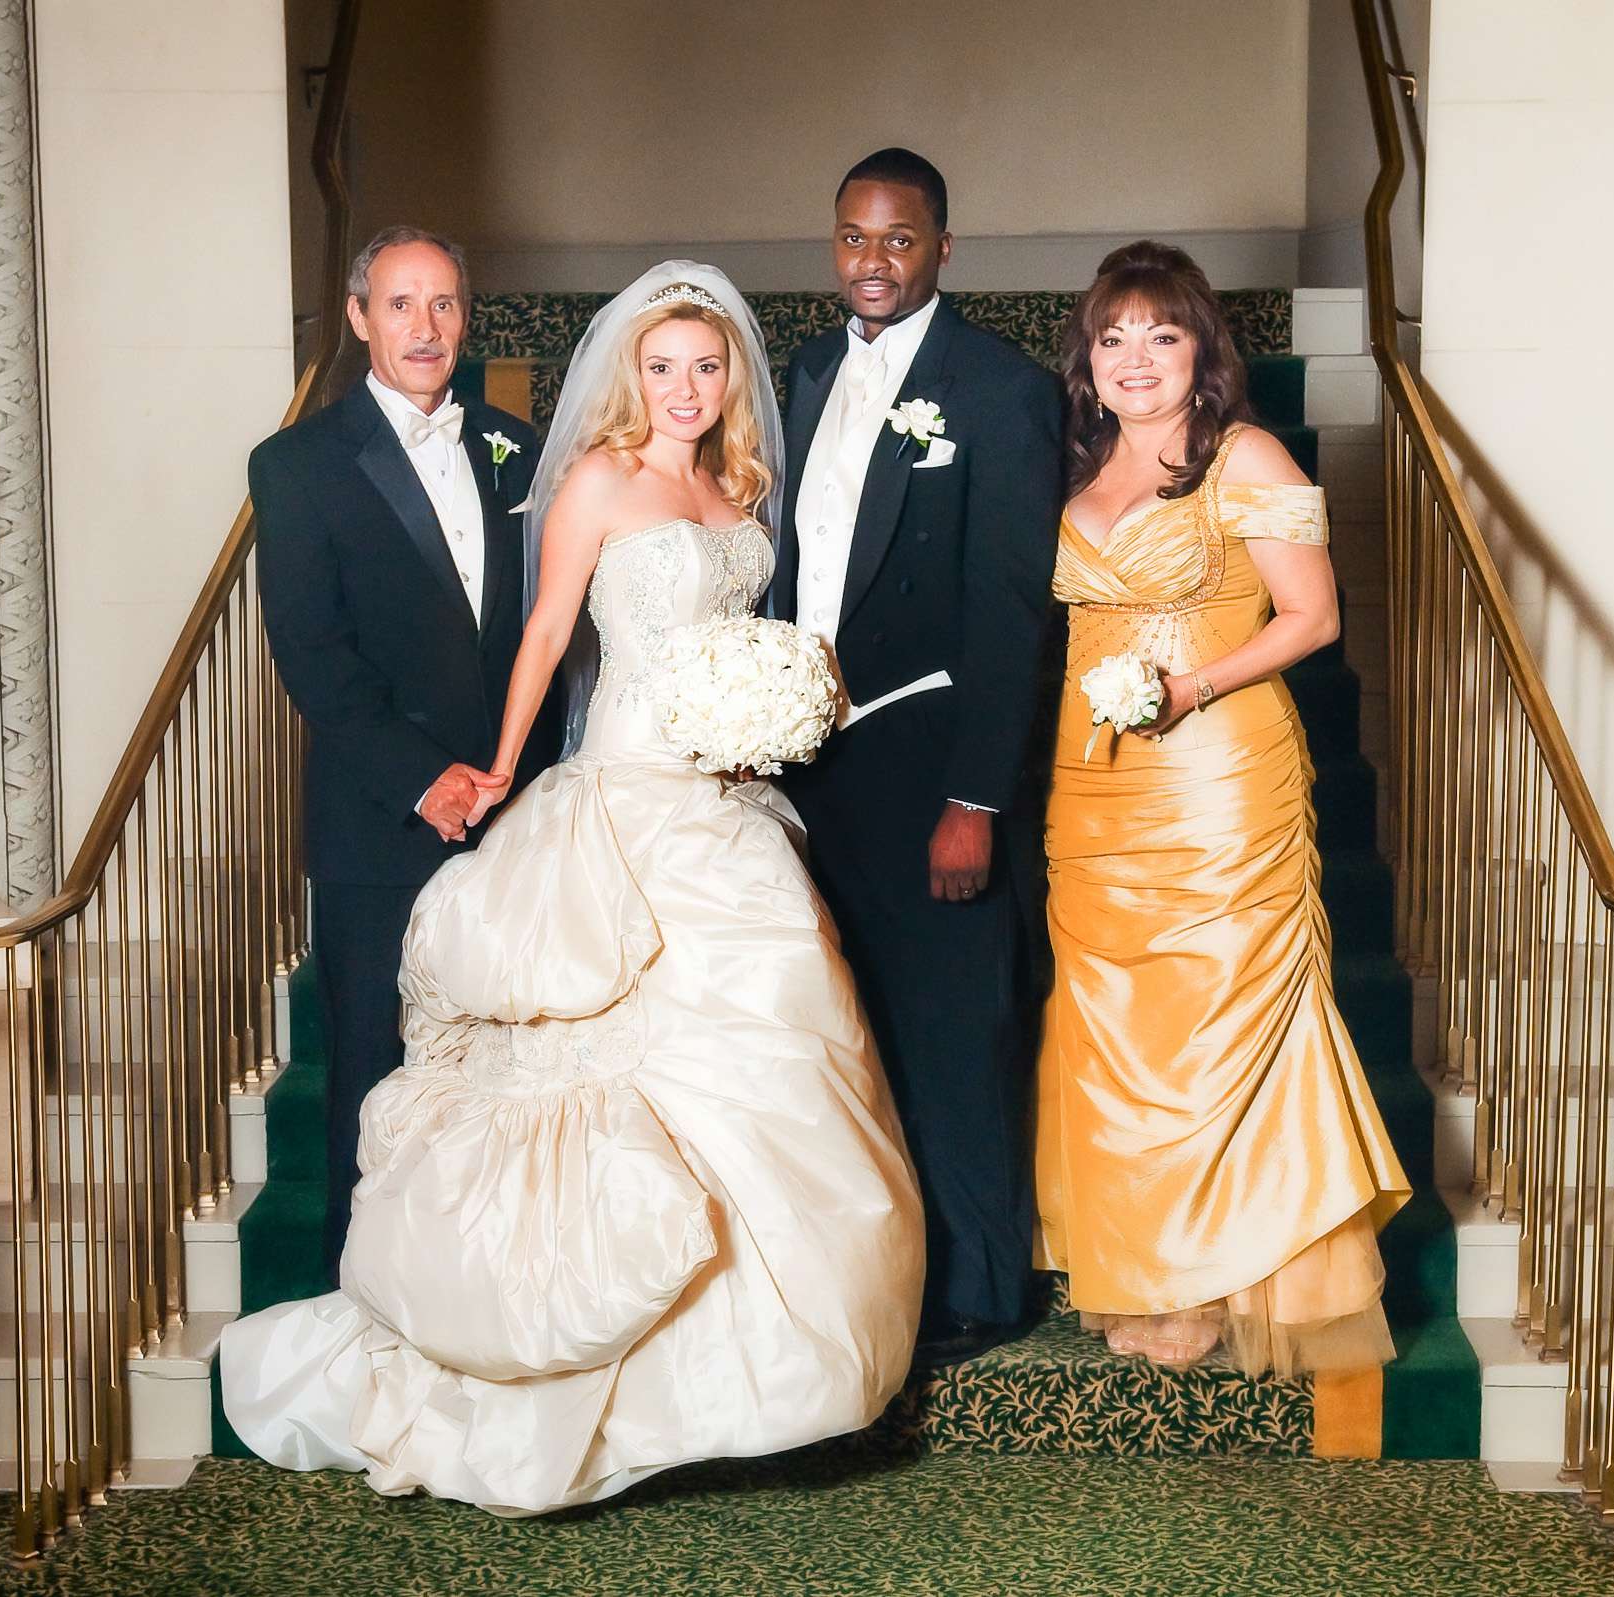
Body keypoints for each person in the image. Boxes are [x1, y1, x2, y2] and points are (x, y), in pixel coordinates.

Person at [220, 262, 924, 1517]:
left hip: (726, 807)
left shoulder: (738, 485)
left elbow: (750, 631)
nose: (688, 388)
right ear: (628, 373)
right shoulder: (594, 476)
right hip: (622, 794)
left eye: (708, 366)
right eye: (663, 366)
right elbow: (548, 633)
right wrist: (500, 762)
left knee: (772, 1053)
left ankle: (753, 1378)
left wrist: (774, 709)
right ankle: (557, 1369)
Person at [1036, 241, 1409, 1375]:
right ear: (1088, 357)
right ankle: (1140, 1259)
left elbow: (1313, 618)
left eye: (1162, 334)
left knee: (1212, 1018)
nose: (1135, 358)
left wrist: (1187, 685)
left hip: (1215, 778)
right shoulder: (1076, 465)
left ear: (1202, 352)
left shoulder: (1244, 456)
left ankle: (1226, 1267)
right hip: (1090, 782)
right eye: (1114, 336)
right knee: (1113, 1022)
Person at [771, 148, 1064, 1367]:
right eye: (853, 237)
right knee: (856, 1023)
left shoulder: (999, 387)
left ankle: (985, 1286)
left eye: (899, 240)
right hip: (812, 760)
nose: (873, 261)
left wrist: (975, 798)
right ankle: (884, 1270)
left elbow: (1010, 606)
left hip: (936, 758)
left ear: (946, 247)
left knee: (955, 1020)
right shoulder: (800, 374)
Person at [249, 226, 547, 1281]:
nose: (426, 328)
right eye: (402, 304)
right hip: (379, 826)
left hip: (513, 816)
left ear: (467, 318)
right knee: (377, 1078)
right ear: (361, 316)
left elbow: (546, 632)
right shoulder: (297, 465)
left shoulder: (517, 446)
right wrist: (426, 781)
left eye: (446, 305)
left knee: (504, 1078)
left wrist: (515, 775)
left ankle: (485, 1298)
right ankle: (360, 1310)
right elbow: (313, 654)